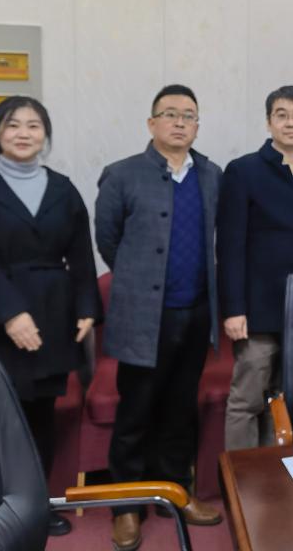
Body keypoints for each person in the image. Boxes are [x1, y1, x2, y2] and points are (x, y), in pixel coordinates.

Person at [0, 96, 101, 538]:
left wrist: (87, 308)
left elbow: (82, 254)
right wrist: (10, 315)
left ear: (45, 135)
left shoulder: (63, 188)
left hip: (53, 317)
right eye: (13, 124)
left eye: (33, 125)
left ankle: (36, 506)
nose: (23, 133)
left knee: (41, 415)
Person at [95, 85, 223, 549]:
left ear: (197, 126)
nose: (180, 122)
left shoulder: (211, 174)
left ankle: (176, 494)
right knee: (135, 413)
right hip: (144, 318)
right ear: (152, 123)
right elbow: (108, 240)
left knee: (179, 412)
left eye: (189, 115)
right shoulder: (122, 174)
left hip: (196, 313)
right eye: (170, 114)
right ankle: (126, 507)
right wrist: (141, 282)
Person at [219, 85, 293, 451]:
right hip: (256, 311)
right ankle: (238, 477)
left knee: (281, 401)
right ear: (269, 123)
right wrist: (234, 308)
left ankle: (271, 476)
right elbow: (229, 246)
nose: (290, 123)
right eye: (281, 115)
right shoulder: (243, 171)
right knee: (246, 401)